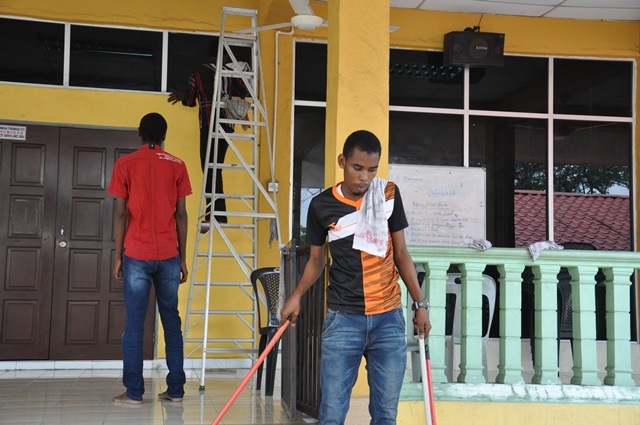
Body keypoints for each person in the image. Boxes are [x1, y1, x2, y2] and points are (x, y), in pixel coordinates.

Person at [280, 130, 431, 425]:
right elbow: (316, 260)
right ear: (342, 161)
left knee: (386, 416)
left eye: (372, 170)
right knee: (332, 415)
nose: (364, 178)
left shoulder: (388, 194)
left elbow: (401, 254)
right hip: (343, 319)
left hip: (388, 319)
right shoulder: (322, 205)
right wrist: (296, 295)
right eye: (357, 168)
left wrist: (420, 304)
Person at [108, 112, 192, 405]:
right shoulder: (177, 165)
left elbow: (120, 213)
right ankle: (176, 390)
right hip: (169, 254)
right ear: (164, 135)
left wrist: (118, 256)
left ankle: (134, 393)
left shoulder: (124, 165)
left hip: (136, 253)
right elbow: (181, 215)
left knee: (134, 324)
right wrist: (182, 258)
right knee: (171, 321)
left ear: (139, 134)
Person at [168, 41, 249, 225]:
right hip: (226, 126)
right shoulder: (229, 73)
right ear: (225, 56)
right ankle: (217, 215)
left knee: (209, 169)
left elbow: (190, 100)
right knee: (216, 168)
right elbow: (243, 90)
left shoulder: (198, 72)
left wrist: (184, 95)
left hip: (209, 125)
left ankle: (215, 215)